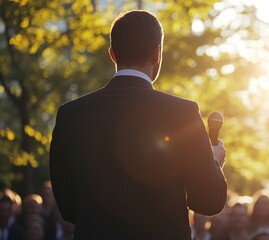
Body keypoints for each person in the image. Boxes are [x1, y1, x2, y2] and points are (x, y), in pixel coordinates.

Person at [49, 10, 227, 240]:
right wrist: (214, 161)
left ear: (113, 54)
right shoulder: (183, 113)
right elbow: (207, 201)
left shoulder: (71, 115)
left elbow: (69, 206)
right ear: (157, 53)